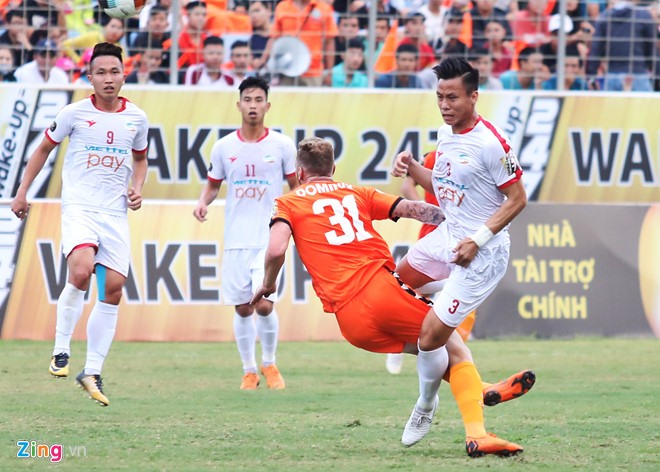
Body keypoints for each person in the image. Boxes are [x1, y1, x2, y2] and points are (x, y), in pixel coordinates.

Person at [253, 137, 530, 457]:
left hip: (350, 322)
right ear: (333, 168)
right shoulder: (356, 193)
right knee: (454, 347)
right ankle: (476, 433)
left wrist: (268, 284)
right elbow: (416, 209)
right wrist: (461, 225)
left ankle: (479, 390)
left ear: (300, 173)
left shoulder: (288, 202)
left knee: (431, 351)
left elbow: (275, 249)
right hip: (379, 291)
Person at [391, 57, 528, 454]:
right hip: (447, 236)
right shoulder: (446, 135)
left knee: (431, 336)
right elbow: (442, 183)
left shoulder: (491, 143)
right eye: (439, 97)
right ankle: (475, 383)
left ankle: (427, 404)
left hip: (481, 255)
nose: (445, 104)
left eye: (452, 97)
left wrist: (479, 239)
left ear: (473, 96)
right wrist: (412, 167)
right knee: (396, 285)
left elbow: (518, 199)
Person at [10, 42, 149, 407]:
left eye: (114, 72)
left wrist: (137, 188)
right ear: (90, 77)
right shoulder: (73, 113)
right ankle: (60, 349)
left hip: (115, 213)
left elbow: (141, 161)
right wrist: (22, 192)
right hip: (80, 207)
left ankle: (92, 370)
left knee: (114, 289)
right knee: (83, 270)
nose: (108, 78)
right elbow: (42, 150)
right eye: (100, 72)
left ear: (124, 75)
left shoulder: (137, 118)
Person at [193, 77, 297, 391]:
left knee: (264, 304)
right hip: (236, 237)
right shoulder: (224, 147)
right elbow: (213, 186)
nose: (253, 105)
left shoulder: (282, 145)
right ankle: (249, 371)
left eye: (258, 100)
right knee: (242, 306)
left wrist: (297, 221)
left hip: (269, 238)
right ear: (239, 105)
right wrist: (202, 202)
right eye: (247, 100)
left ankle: (269, 363)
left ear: (267, 105)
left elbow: (296, 188)